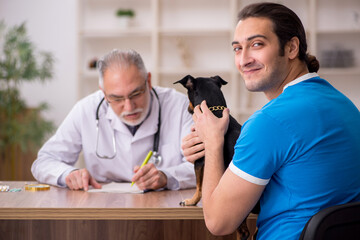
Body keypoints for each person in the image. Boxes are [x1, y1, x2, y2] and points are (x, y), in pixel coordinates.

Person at [182, 2, 360, 240]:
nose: (243, 59)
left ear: (291, 48)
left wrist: (213, 141)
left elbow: (218, 222)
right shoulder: (344, 105)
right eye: (237, 48)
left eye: (257, 44)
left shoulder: (270, 122)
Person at [32, 49, 196, 191]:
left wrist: (166, 176)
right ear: (103, 93)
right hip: (105, 208)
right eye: (116, 98)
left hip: (163, 208)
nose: (129, 107)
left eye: (136, 94)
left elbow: (205, 166)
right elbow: (44, 162)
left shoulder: (180, 106)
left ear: (149, 81)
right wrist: (68, 174)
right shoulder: (86, 109)